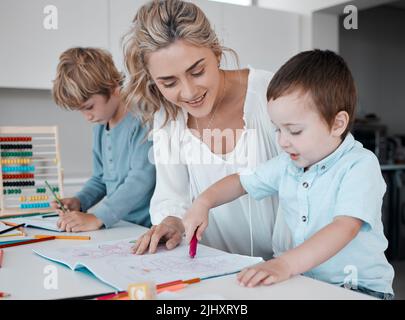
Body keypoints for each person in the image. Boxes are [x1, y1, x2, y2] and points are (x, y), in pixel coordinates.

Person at [183, 49, 395, 299]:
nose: (282, 141)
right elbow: (241, 182)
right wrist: (203, 202)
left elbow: (344, 228)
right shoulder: (287, 164)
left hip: (358, 289)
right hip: (305, 283)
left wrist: (284, 264)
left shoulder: (359, 166)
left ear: (337, 124)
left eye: (294, 131)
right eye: (277, 130)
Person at [123, 0, 292, 259]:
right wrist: (171, 223)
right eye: (169, 83)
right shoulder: (168, 117)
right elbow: (172, 195)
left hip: (292, 270)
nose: (189, 92)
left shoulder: (273, 92)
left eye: (198, 71)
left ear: (216, 52)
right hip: (217, 269)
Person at [51, 47, 155, 232]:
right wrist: (80, 201)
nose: (87, 116)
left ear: (112, 87)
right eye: (81, 110)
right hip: (121, 226)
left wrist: (98, 217)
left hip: (148, 228)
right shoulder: (100, 127)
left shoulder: (142, 120)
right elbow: (100, 179)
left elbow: (141, 179)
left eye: (89, 107)